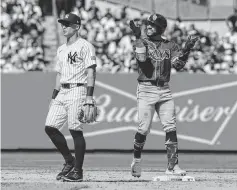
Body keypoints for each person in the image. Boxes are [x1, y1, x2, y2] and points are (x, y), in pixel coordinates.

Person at [129, 13, 199, 178]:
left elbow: (179, 65)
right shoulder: (141, 42)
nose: (148, 27)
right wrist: (138, 36)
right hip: (146, 89)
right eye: (147, 24)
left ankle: (172, 166)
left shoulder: (170, 45)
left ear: (160, 28)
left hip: (164, 89)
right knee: (144, 128)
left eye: (152, 25)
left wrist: (186, 49)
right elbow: (142, 60)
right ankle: (136, 160)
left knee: (171, 127)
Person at [44, 12, 97, 182]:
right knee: (50, 127)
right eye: (63, 24)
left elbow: (91, 72)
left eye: (67, 24)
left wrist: (89, 97)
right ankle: (69, 161)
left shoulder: (85, 46)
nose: (64, 27)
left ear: (77, 26)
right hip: (62, 91)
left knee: (75, 130)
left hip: (78, 90)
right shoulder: (61, 49)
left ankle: (78, 172)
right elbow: (59, 75)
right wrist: (54, 96)